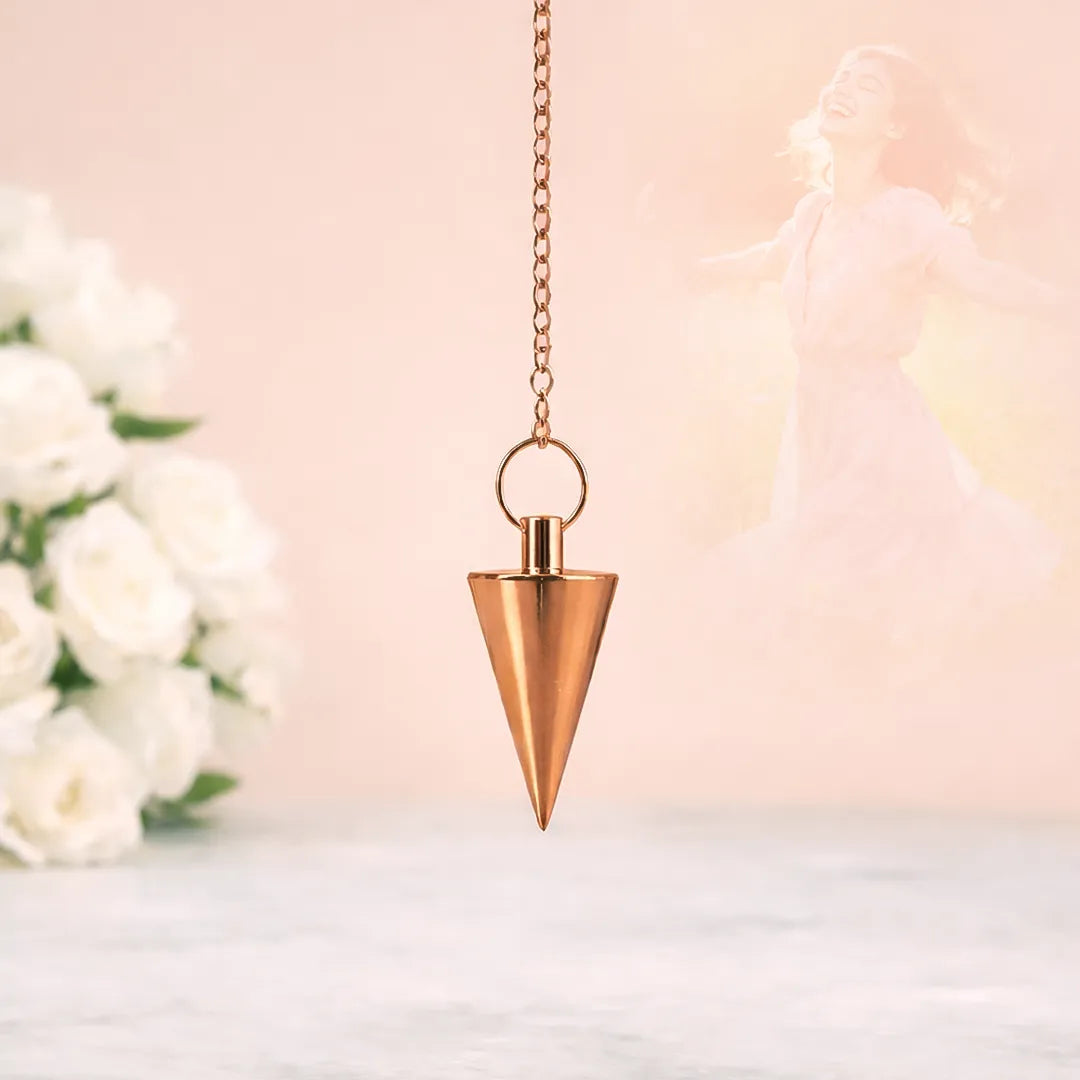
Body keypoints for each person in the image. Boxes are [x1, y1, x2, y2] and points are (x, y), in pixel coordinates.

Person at [661, 45, 1076, 694]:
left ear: (896, 125)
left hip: (878, 422)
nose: (843, 88)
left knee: (826, 564)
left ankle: (910, 697)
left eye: (867, 84)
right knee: (860, 581)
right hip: (817, 417)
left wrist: (1063, 306)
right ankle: (890, 696)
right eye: (839, 78)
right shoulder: (812, 213)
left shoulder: (908, 215)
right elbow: (767, 258)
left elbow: (980, 278)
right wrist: (686, 273)